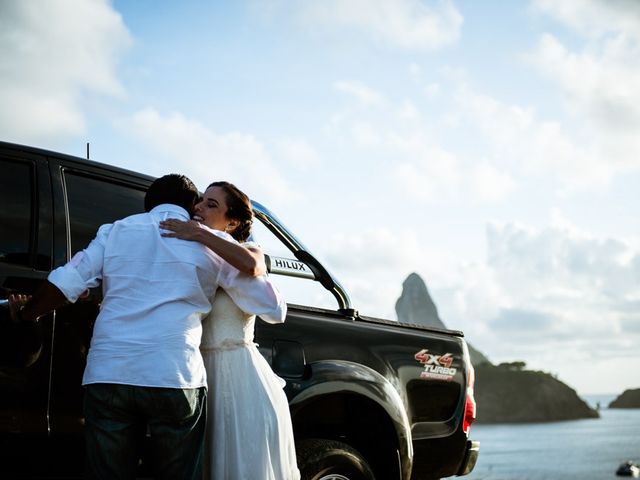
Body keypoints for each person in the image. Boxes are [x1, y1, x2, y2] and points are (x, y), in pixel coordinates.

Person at [9, 174, 286, 480]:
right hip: (175, 374)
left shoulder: (115, 231)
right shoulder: (210, 245)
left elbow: (67, 281)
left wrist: (27, 313)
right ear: (189, 204)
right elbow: (270, 305)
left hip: (110, 372)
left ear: (148, 202)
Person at [159, 181, 300, 480]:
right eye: (200, 201)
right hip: (196, 373)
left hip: (237, 377)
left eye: (212, 205)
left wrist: (201, 233)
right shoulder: (187, 252)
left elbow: (276, 309)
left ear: (233, 222)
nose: (199, 208)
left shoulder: (242, 253)